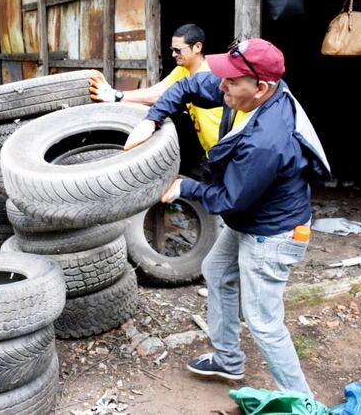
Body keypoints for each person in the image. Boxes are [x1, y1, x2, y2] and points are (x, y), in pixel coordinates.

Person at [124, 38, 331, 397]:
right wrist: (152, 118)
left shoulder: (266, 140)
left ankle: (301, 402)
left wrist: (184, 188)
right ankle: (228, 360)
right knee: (217, 270)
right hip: (251, 218)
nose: (221, 86)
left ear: (260, 88)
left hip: (273, 233)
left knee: (264, 323)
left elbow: (229, 200)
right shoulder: (244, 91)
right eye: (224, 77)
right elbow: (188, 85)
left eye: (231, 81)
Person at [88, 23, 245, 173]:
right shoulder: (181, 71)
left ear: (197, 47)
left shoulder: (213, 73)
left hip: (232, 155)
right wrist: (115, 95)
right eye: (172, 49)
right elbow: (156, 92)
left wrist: (116, 96)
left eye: (178, 50)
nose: (173, 54)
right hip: (211, 155)